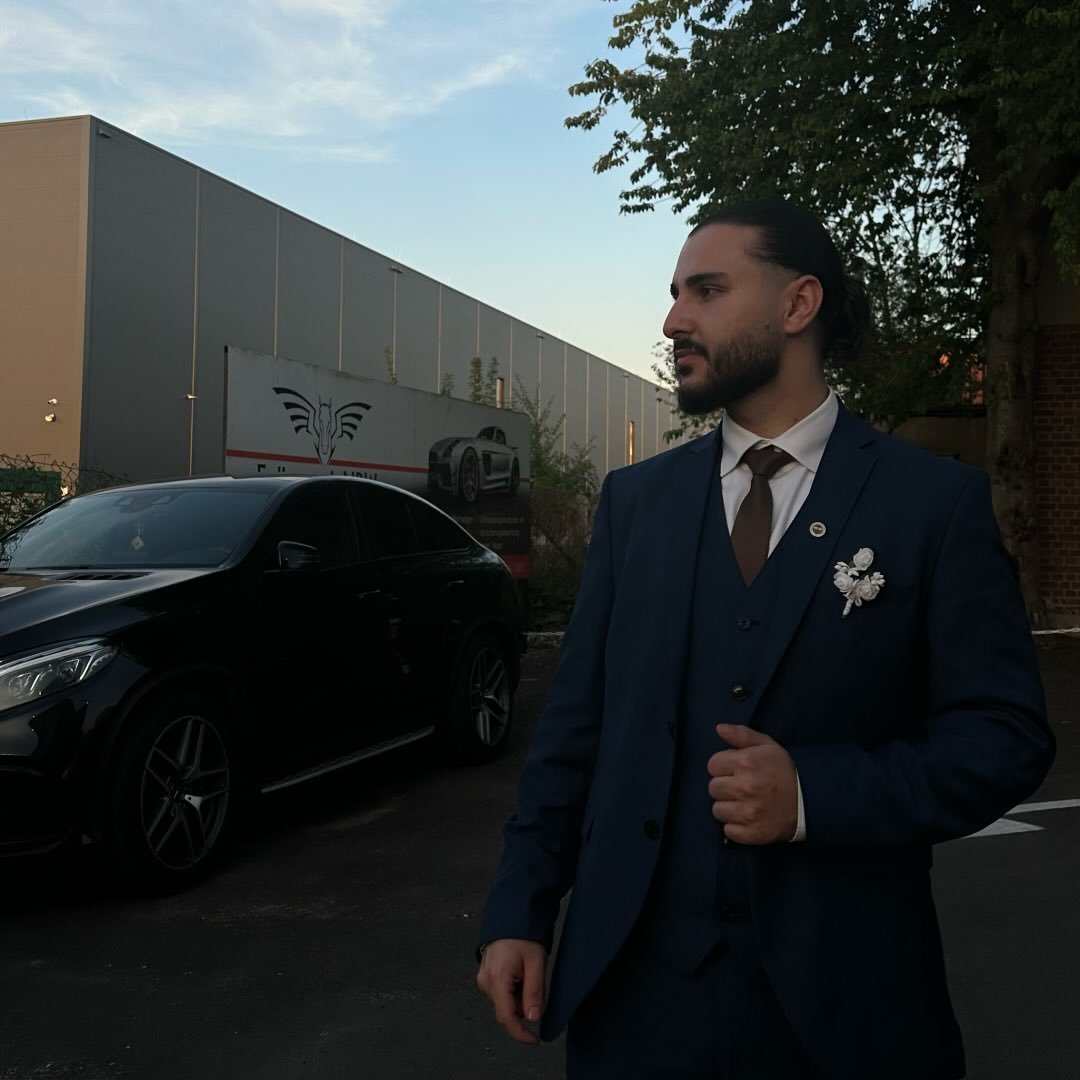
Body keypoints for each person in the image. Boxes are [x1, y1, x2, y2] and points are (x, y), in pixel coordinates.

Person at [475, 198, 1054, 1079]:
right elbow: (573, 733)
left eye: (706, 290)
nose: (673, 320)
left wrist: (816, 795)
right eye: (675, 294)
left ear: (798, 304)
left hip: (846, 1010)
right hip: (635, 1006)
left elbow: (1004, 738)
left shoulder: (932, 505)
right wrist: (519, 908)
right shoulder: (635, 504)